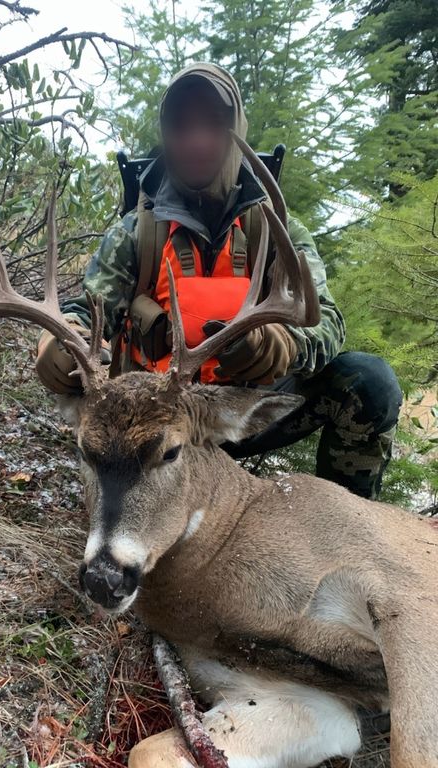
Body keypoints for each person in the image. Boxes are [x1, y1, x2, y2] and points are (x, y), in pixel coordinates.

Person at [36, 62, 402, 500]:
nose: (197, 140)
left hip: (243, 412)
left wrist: (283, 346)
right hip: (153, 424)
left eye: (213, 123)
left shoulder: (276, 230)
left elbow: (326, 321)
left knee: (368, 382)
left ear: (236, 130)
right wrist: (61, 342)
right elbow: (86, 310)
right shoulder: (137, 232)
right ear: (167, 135)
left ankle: (347, 522)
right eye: (181, 126)